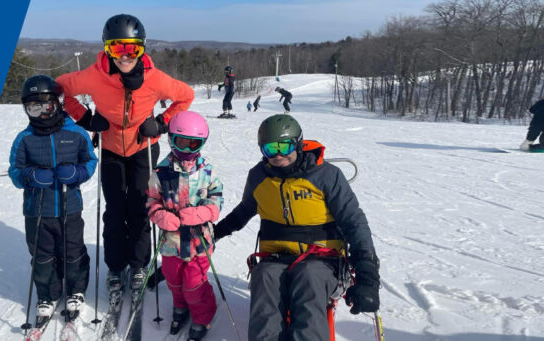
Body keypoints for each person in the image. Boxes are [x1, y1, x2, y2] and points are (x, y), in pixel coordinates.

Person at [57, 13, 194, 302]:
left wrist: (161, 122)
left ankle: (140, 263)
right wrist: (85, 118)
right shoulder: (94, 75)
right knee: (115, 209)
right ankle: (116, 266)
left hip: (143, 147)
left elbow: (186, 96)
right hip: (110, 149)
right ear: (107, 49)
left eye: (132, 49)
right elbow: (60, 88)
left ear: (142, 48)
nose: (125, 56)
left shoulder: (154, 79)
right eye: (116, 49)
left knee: (141, 208)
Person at [213, 115, 381, 340]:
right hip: (276, 257)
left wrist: (367, 276)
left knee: (309, 276)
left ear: (299, 144)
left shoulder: (326, 176)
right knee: (264, 276)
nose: (278, 154)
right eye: (270, 149)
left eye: (285, 146)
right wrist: (213, 234)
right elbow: (242, 213)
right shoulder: (259, 177)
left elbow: (354, 222)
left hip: (323, 259)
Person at [9, 75, 98, 325]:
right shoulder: (24, 138)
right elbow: (15, 172)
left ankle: (75, 289)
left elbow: (90, 162)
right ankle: (48, 294)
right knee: (42, 255)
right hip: (37, 211)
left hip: (70, 207)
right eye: (33, 107)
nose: (41, 113)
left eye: (46, 105)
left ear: (57, 103)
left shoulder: (77, 133)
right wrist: (31, 175)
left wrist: (77, 173)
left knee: (72, 251)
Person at [146, 111, 222, 341]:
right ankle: (181, 306)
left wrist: (200, 213)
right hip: (171, 242)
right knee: (172, 278)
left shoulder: (207, 171)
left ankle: (202, 314)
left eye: (194, 144)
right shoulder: (160, 172)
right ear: (171, 139)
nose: (187, 150)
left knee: (193, 282)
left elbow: (217, 201)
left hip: (199, 243)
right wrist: (159, 215)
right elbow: (151, 201)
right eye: (182, 143)